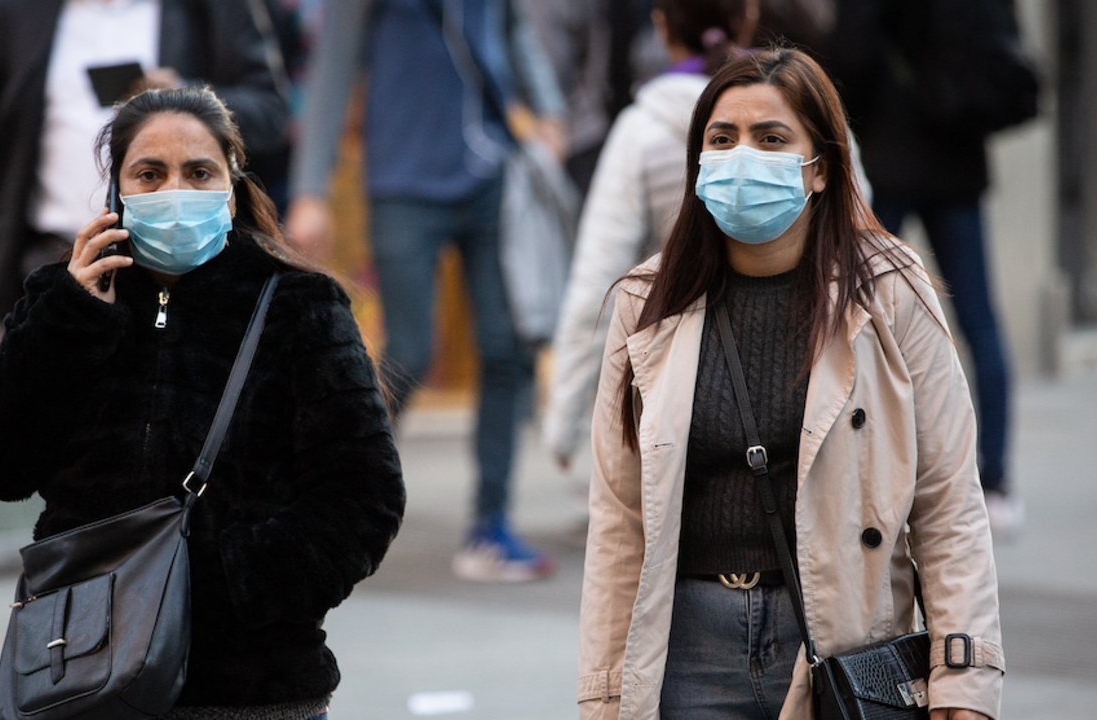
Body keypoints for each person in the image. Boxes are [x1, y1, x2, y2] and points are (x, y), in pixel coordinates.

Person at [0, 87, 405, 718]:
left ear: (232, 183)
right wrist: (66, 322)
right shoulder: (67, 301)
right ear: (118, 192)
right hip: (83, 678)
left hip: (251, 688)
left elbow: (365, 496)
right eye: (150, 174)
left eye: (198, 172)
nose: (176, 192)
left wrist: (226, 583)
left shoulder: (300, 305)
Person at [578, 49, 1003, 719]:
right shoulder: (646, 303)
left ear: (821, 169)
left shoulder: (889, 290)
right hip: (685, 650)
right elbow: (619, 524)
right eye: (722, 139)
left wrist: (964, 674)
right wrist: (603, 697)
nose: (741, 156)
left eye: (771, 138)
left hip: (840, 642)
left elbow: (948, 502)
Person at [288, 0, 567, 582]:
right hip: (403, 182)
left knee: (506, 348)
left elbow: (514, 32)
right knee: (409, 354)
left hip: (493, 173)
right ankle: (330, 504)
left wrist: (550, 112)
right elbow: (334, 67)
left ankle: (491, 525)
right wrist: (310, 188)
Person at [0, 0, 287, 373]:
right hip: (47, 265)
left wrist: (185, 97)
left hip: (173, 269)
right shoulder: (20, 13)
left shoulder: (204, 8)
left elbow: (271, 110)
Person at [825, 0, 1024, 538]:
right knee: (979, 319)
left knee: (853, 306)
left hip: (890, 152)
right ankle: (998, 482)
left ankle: (857, 464)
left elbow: (852, 55)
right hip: (958, 156)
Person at [543, 0, 756, 469]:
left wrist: (564, 421)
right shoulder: (800, 114)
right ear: (750, 15)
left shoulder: (641, 130)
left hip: (679, 381)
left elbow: (596, 279)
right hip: (793, 360)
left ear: (661, 26)